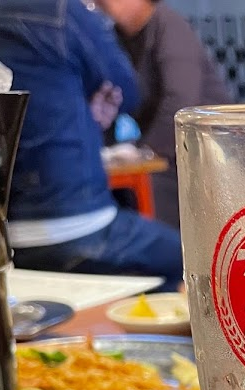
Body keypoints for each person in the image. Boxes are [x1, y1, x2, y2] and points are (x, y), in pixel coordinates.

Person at [0, 0, 184, 286]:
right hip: (77, 223)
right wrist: (88, 99)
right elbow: (126, 89)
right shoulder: (59, 9)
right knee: (187, 260)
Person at [97, 0, 232, 228]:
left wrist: (145, 151)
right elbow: (114, 97)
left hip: (205, 152)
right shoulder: (116, 38)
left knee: (149, 194)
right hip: (167, 152)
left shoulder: (168, 25)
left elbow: (180, 101)